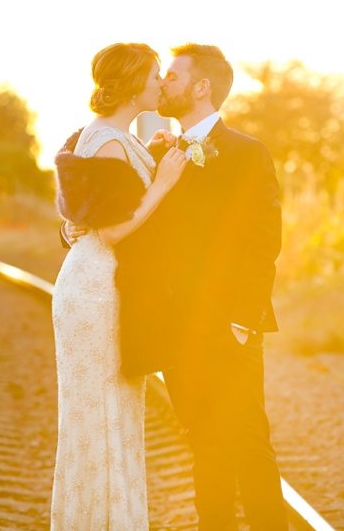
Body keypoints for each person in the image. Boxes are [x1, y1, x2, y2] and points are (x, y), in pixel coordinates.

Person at [61, 44, 287, 530]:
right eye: (159, 77)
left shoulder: (248, 153)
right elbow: (113, 211)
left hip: (230, 326)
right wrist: (72, 228)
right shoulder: (161, 150)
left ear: (201, 87)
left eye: (172, 77)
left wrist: (243, 320)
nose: (162, 83)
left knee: (248, 443)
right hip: (178, 330)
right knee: (204, 444)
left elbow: (263, 241)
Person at [50, 42, 189, 530]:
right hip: (96, 289)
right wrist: (163, 182)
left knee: (108, 414)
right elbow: (112, 229)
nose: (159, 83)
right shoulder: (107, 139)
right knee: (103, 417)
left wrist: (149, 162)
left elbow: (87, 210)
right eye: (154, 75)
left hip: (94, 282)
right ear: (133, 84)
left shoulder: (107, 136)